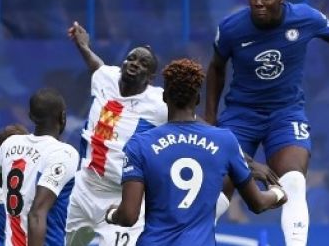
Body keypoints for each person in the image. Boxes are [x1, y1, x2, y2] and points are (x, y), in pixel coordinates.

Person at [205, 0, 329, 245]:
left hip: (285, 114)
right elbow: (216, 68)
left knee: (293, 182)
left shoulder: (305, 17)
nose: (258, 2)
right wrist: (210, 120)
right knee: (218, 191)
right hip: (240, 116)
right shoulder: (231, 27)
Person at [106, 59, 286, 245]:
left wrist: (112, 214)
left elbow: (128, 216)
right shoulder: (225, 141)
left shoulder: (140, 144)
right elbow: (258, 203)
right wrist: (278, 193)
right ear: (198, 99)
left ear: (164, 97)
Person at [65, 22, 168, 246]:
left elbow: (189, 120)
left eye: (143, 63)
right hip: (85, 187)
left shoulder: (159, 103)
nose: (134, 64)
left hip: (122, 198)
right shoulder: (106, 77)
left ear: (151, 78)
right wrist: (83, 45)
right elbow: (96, 64)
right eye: (132, 58)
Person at [0, 88, 79, 246]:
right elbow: (37, 214)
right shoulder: (64, 153)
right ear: (63, 116)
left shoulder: (10, 143)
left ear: (31, 116)